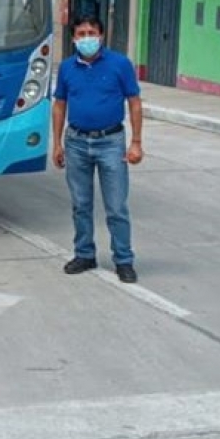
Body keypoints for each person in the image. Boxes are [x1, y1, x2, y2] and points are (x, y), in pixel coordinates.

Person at [52, 15, 143, 283]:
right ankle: (84, 254)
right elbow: (60, 105)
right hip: (76, 141)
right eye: (81, 34)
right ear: (73, 38)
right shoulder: (67, 68)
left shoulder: (120, 64)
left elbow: (134, 102)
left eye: (92, 32)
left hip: (111, 142)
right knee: (80, 204)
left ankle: (124, 260)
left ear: (101, 36)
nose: (86, 38)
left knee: (116, 206)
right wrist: (57, 143)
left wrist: (136, 142)